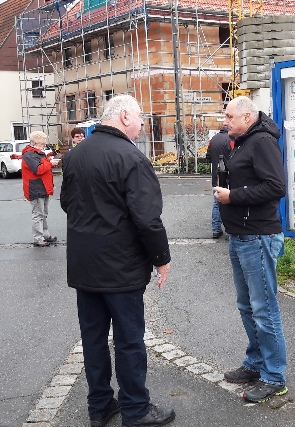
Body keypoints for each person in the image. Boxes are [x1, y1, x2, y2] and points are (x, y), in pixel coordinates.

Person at [60, 95, 175, 427]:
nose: (142, 124)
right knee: (128, 340)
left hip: (84, 265)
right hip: (121, 267)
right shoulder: (132, 158)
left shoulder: (75, 155)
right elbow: (148, 219)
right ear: (125, 116)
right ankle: (136, 409)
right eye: (140, 117)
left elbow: (68, 204)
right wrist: (161, 258)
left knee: (93, 339)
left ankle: (99, 407)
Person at [214, 96, 288, 403]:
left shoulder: (262, 142)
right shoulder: (243, 141)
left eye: (229, 117)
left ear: (247, 117)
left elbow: (276, 186)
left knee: (263, 308)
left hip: (258, 236)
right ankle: (256, 362)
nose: (225, 122)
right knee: (247, 306)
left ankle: (274, 376)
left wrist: (233, 196)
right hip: (240, 234)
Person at [21, 130, 60, 247]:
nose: (44, 145)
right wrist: (51, 163)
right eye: (42, 143)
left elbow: (41, 166)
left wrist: (49, 161)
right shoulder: (29, 154)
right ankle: (38, 238)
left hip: (42, 187)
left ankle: (45, 235)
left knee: (43, 213)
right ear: (35, 143)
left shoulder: (36, 153)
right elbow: (38, 170)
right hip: (36, 188)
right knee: (38, 214)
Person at [206, 125, 232, 239]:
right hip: (228, 176)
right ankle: (229, 231)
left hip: (216, 176)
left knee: (217, 203)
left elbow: (208, 157)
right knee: (229, 203)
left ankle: (216, 229)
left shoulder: (213, 139)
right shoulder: (231, 139)